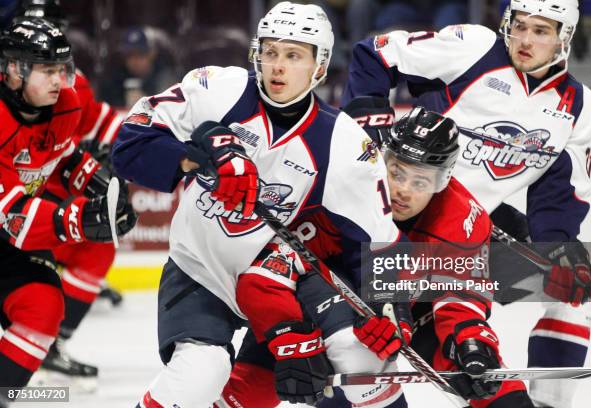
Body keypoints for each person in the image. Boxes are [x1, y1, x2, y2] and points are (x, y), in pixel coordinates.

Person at [112, 3, 410, 407]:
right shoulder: (218, 90)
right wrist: (199, 157)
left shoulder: (343, 142)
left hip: (283, 281)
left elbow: (378, 245)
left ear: (319, 67)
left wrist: (395, 309)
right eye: (270, 52)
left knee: (363, 358)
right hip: (200, 269)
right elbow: (128, 147)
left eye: (293, 55)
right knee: (201, 373)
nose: (278, 67)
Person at [341, 0, 591, 406]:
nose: (525, 40)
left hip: (473, 229)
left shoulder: (578, 107)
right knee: (378, 339)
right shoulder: (473, 48)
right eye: (520, 26)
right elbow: (374, 53)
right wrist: (367, 125)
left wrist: (557, 248)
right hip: (401, 219)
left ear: (564, 39)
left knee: (570, 292)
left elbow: (559, 194)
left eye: (541, 31)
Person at [218, 107, 535, 407]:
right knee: (254, 393)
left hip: (414, 304)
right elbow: (275, 269)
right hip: (329, 297)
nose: (403, 191)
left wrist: (469, 340)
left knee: (496, 388)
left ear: (442, 182)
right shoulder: (348, 190)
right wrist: (288, 337)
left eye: (421, 181)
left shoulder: (462, 217)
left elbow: (459, 296)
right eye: (397, 173)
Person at [0, 17, 136, 406]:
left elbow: (62, 158)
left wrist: (100, 185)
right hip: (8, 225)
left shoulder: (65, 104)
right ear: (13, 69)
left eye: (62, 68)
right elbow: (11, 217)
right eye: (47, 70)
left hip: (8, 239)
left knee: (43, 306)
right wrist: (77, 219)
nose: (59, 80)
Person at [98, 26, 176, 108]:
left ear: (152, 54)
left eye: (141, 54)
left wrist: (147, 103)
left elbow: (171, 110)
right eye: (129, 55)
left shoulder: (164, 78)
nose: (135, 61)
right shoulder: (115, 79)